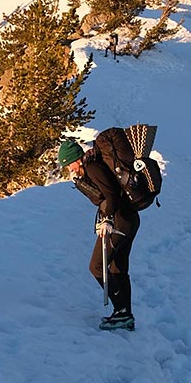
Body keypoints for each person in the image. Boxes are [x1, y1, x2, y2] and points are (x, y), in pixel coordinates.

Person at [58, 138, 139, 330]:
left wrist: (107, 218)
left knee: (97, 266)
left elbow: (111, 195)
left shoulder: (93, 167)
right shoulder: (90, 169)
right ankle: (125, 315)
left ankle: (121, 311)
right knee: (117, 269)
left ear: (76, 159)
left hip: (120, 221)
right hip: (128, 219)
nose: (69, 169)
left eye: (69, 164)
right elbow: (102, 196)